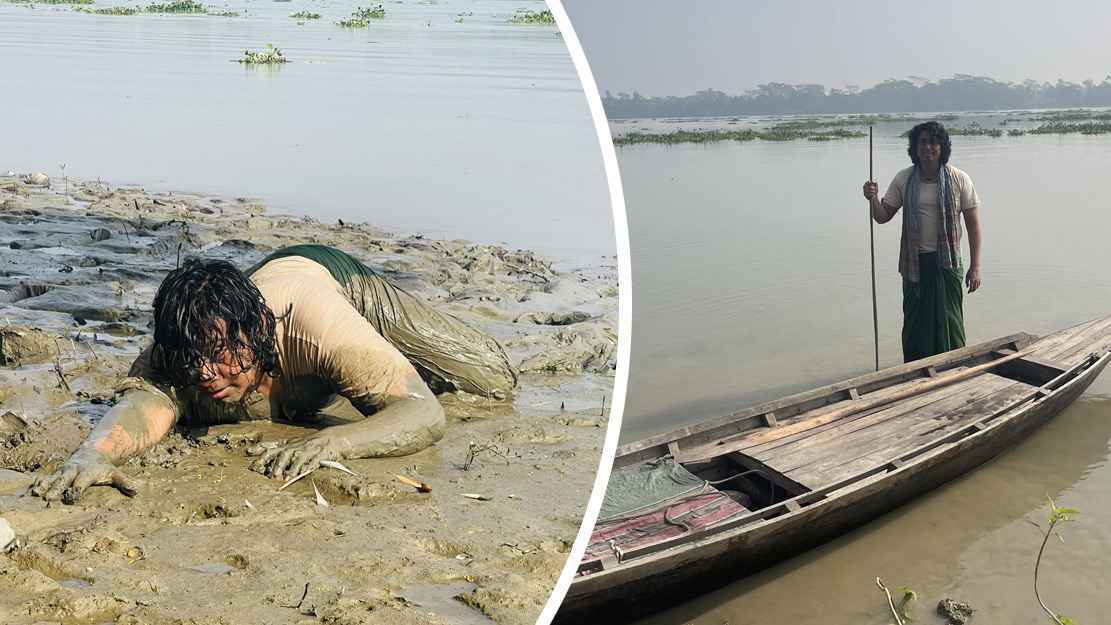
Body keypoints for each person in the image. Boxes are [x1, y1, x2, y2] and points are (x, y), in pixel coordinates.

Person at [30, 244, 517, 503]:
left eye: (219, 354)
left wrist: (330, 443)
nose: (203, 374)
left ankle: (382, 360)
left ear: (258, 330)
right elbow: (142, 407)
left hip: (333, 280)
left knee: (492, 381)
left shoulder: (317, 329)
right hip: (255, 301)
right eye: (191, 359)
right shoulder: (180, 345)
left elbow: (424, 414)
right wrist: (91, 456)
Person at [862, 121, 982, 362]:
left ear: (942, 147)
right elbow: (882, 216)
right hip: (914, 264)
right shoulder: (904, 179)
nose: (928, 147)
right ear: (915, 148)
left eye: (934, 142)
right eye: (923, 142)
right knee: (915, 324)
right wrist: (872, 198)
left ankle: (953, 367)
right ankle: (915, 371)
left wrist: (975, 266)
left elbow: (973, 226)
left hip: (947, 264)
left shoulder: (959, 179)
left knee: (950, 321)